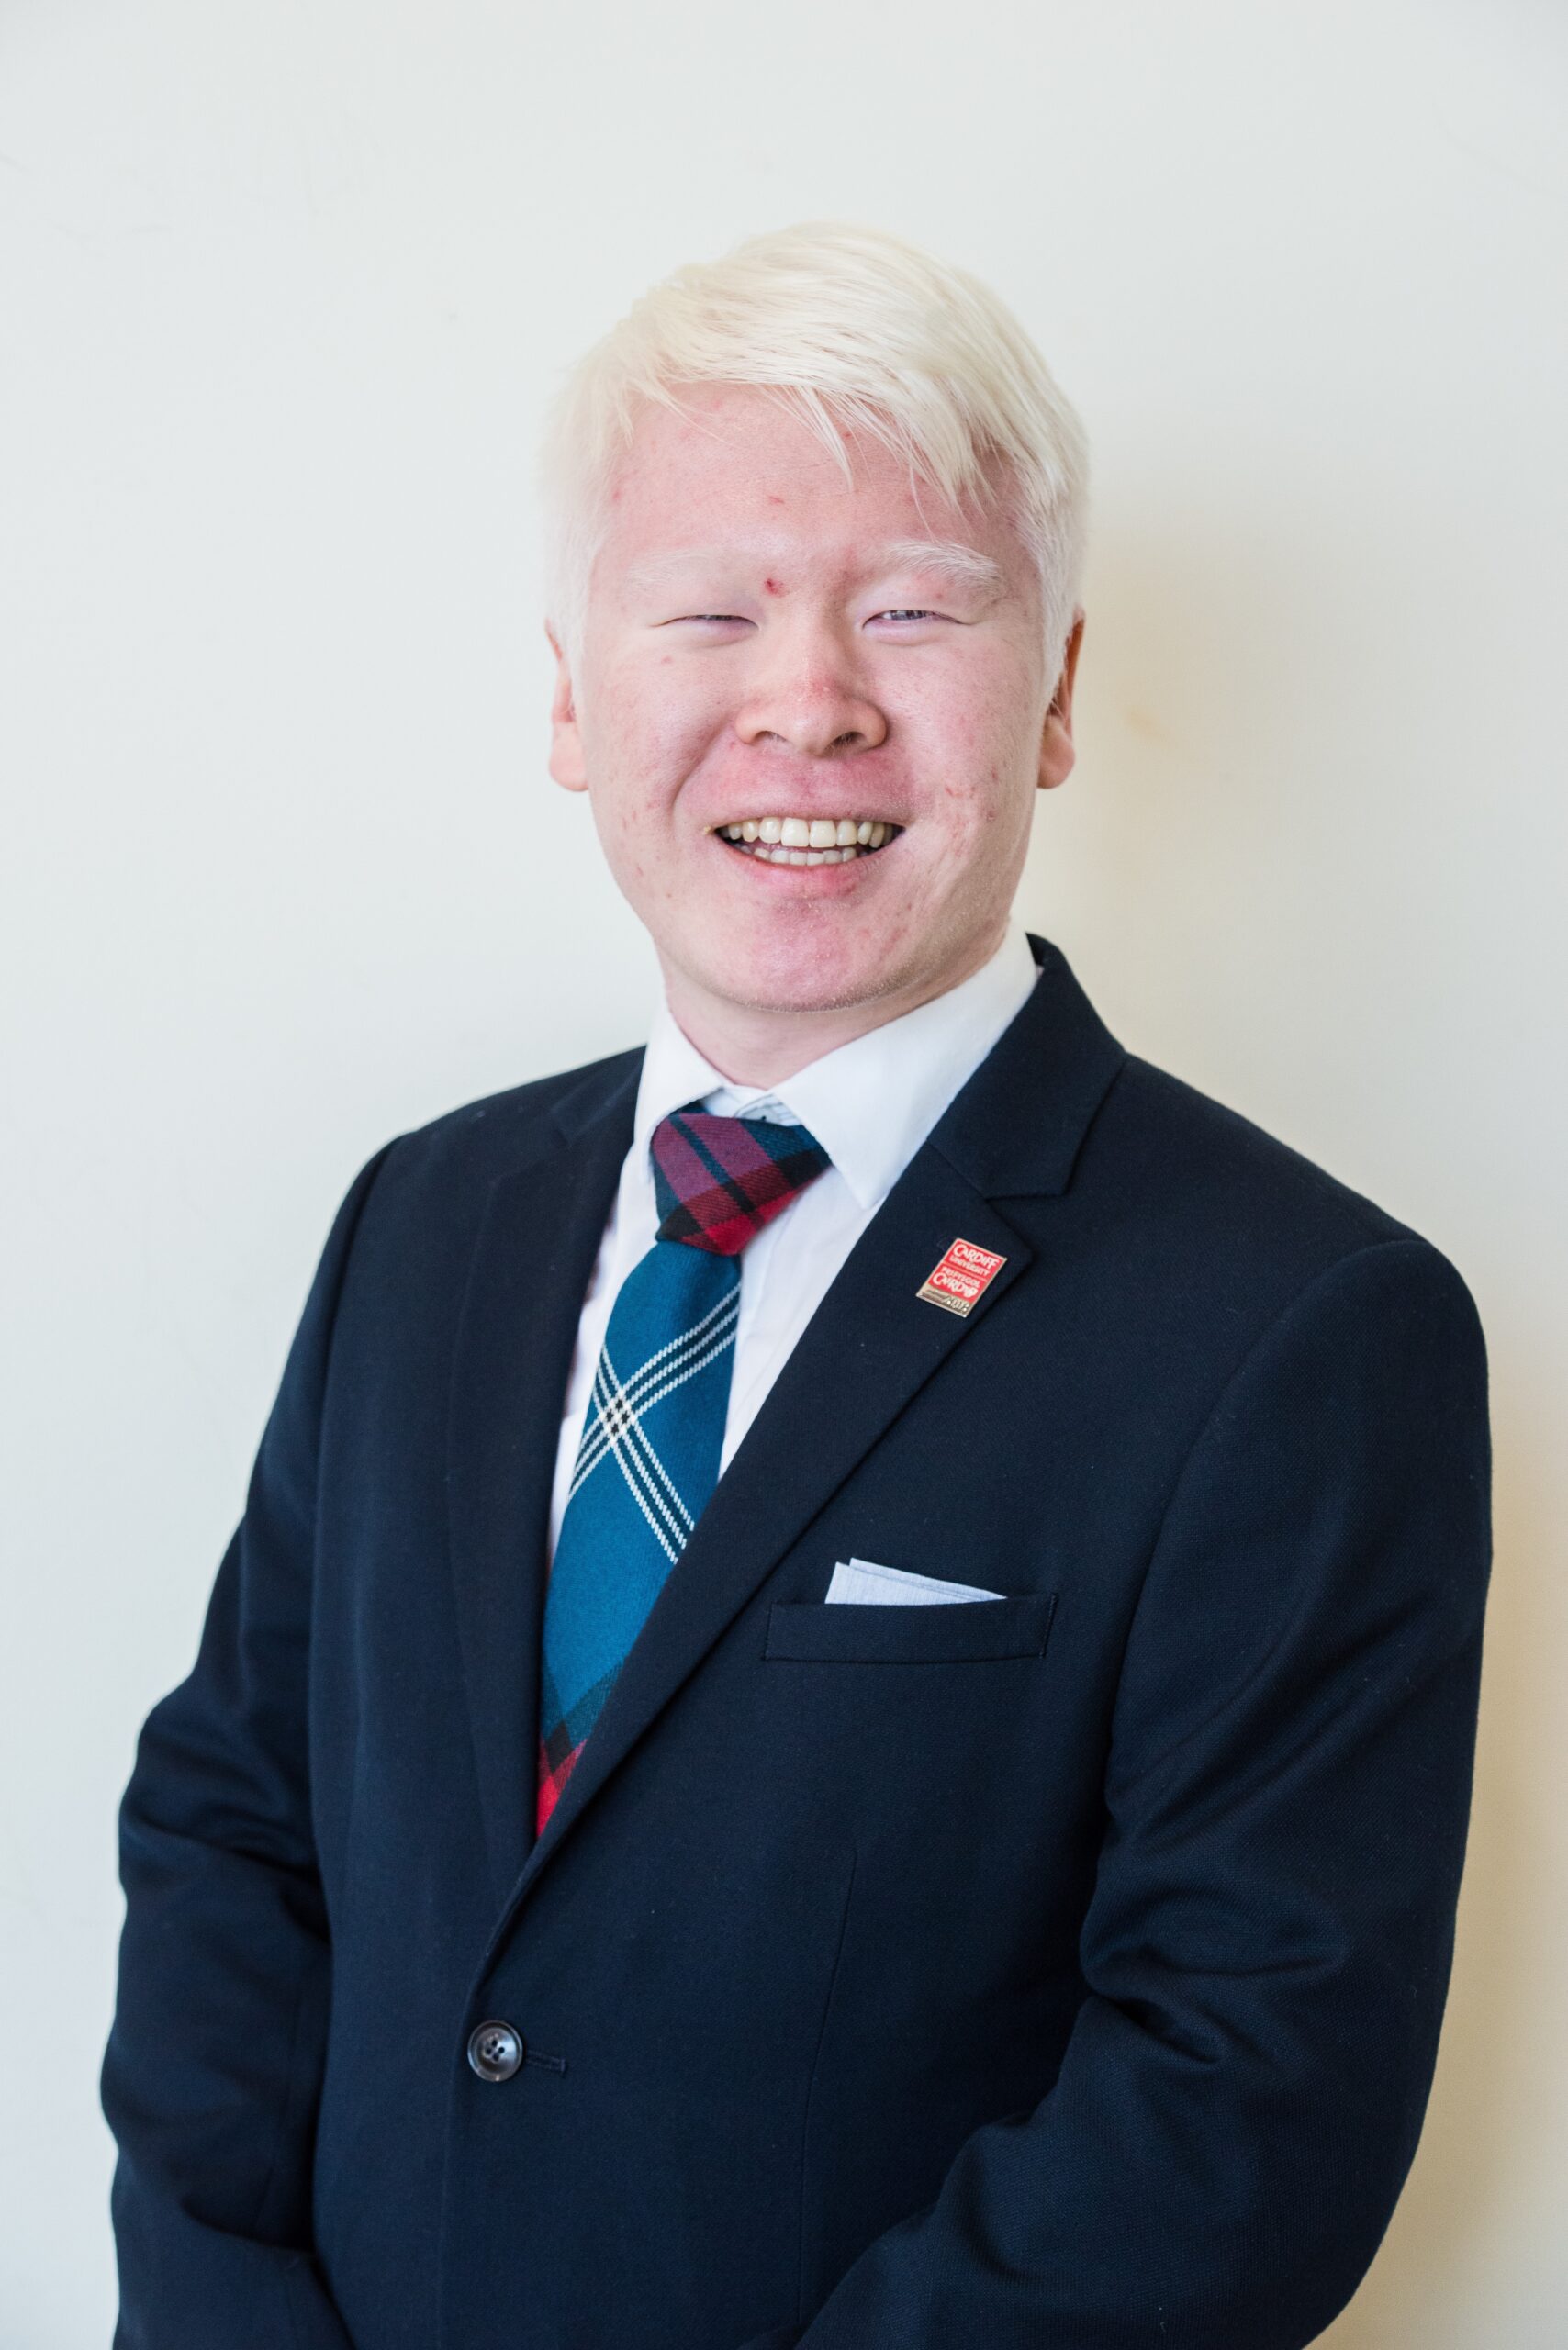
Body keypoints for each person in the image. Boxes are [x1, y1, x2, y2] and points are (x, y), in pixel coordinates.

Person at [101, 222, 1492, 2350]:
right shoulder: (426, 1218)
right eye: (710, 610)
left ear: (1047, 691)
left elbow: (1244, 2092)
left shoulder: (1298, 1324)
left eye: (911, 609)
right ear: (574, 693)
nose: (807, 698)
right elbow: (234, 1822)